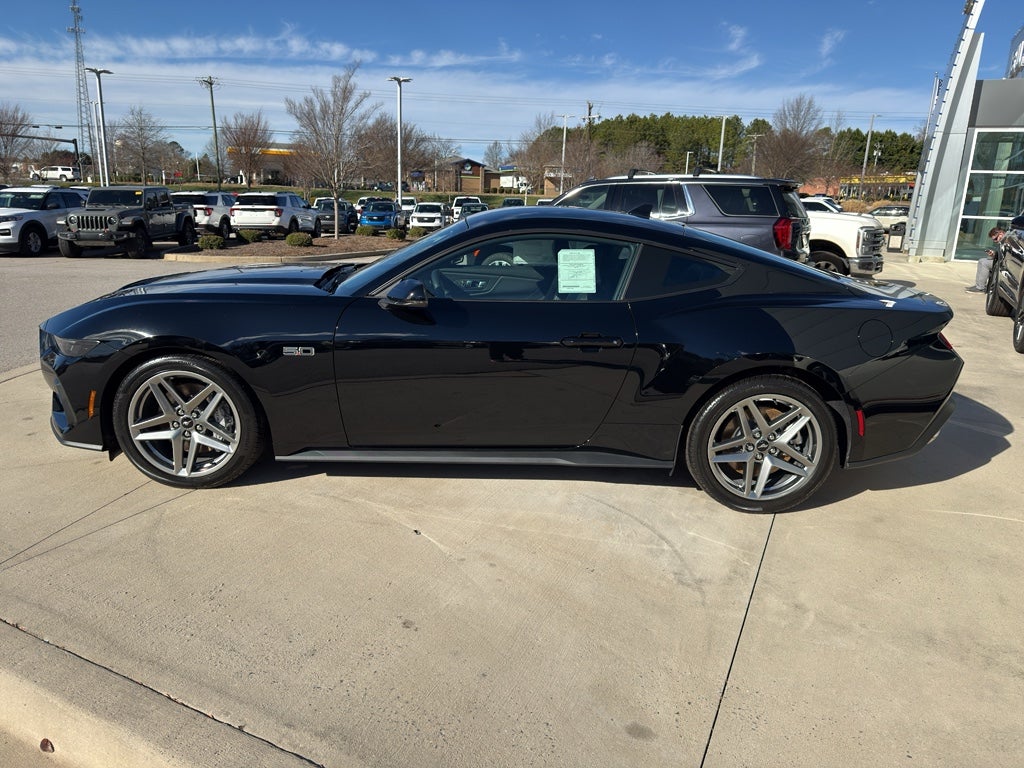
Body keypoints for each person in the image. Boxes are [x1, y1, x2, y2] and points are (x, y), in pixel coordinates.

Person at [965, 226, 1005, 293]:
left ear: (1001, 234)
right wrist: (993, 254)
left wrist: (995, 255)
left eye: (995, 239)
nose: (995, 241)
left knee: (984, 264)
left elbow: (1005, 256)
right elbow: (1000, 254)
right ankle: (978, 285)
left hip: (1003, 263)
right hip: (999, 260)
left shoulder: (1007, 242)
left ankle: (980, 287)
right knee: (981, 260)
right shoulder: (1002, 241)